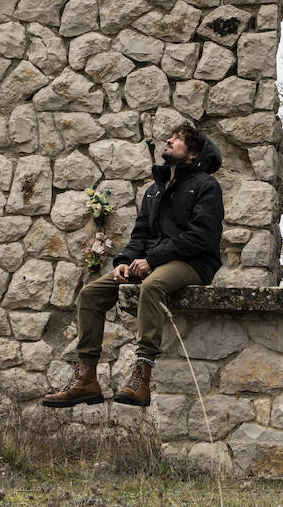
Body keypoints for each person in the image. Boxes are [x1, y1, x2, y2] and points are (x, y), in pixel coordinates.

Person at [41, 122, 224, 409]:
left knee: (152, 286)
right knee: (90, 294)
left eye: (177, 139)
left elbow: (200, 236)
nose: (168, 140)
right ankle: (86, 377)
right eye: (170, 136)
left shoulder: (206, 186)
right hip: (153, 261)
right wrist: (124, 262)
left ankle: (142, 373)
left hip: (193, 263)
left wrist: (153, 260)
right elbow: (140, 235)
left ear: (192, 155)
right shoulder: (154, 190)